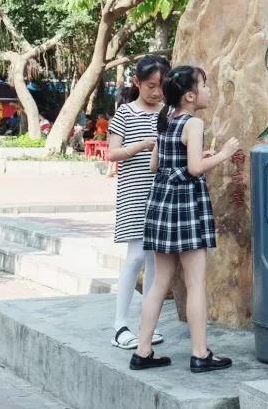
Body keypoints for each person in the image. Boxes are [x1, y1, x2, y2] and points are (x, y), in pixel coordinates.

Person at [131, 65, 240, 373]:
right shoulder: (193, 123)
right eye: (204, 86)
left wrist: (194, 157)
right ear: (190, 96)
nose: (208, 90)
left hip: (161, 203)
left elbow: (155, 165)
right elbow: (193, 169)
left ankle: (142, 351)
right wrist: (224, 153)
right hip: (185, 205)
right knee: (195, 283)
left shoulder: (165, 119)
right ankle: (200, 353)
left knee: (159, 282)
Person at [106, 55, 171, 351]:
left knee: (156, 260)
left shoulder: (168, 113)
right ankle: (120, 325)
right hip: (134, 191)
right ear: (137, 82)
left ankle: (147, 323)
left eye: (161, 86)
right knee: (135, 257)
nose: (156, 92)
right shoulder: (125, 112)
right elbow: (112, 153)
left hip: (162, 192)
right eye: (150, 86)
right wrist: (143, 146)